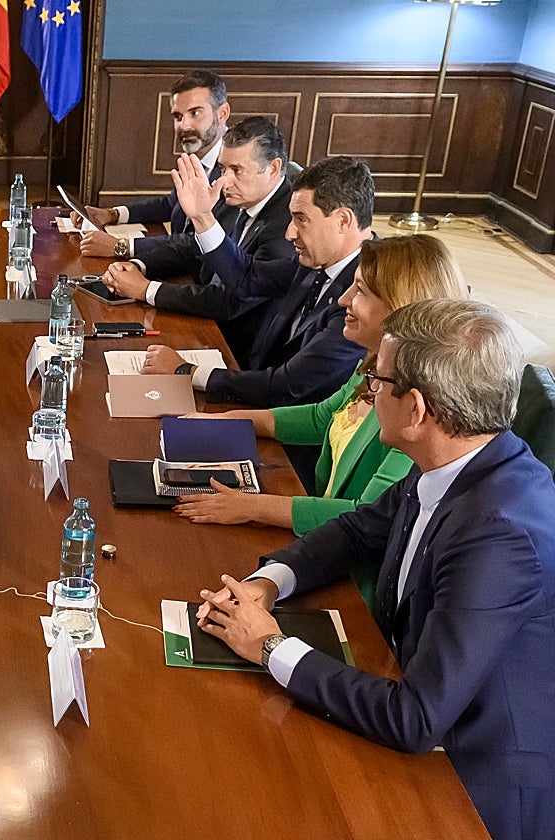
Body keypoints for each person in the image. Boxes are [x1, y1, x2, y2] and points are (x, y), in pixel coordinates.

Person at [195, 299, 555, 840]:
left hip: (471, 784)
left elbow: (414, 719)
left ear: (415, 409)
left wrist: (269, 646)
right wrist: (267, 583)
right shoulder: (464, 458)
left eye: (377, 380)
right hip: (418, 695)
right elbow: (360, 528)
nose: (366, 391)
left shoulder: (499, 534)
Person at [172, 236, 468, 550]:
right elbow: (320, 417)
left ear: (401, 306)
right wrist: (229, 420)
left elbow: (368, 514)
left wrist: (252, 506)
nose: (343, 300)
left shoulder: (417, 411)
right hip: (323, 540)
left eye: (361, 292)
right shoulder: (372, 363)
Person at [142, 155, 370, 409]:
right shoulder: (317, 259)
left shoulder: (365, 296)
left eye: (301, 219)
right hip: (255, 395)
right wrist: (203, 219)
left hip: (289, 434)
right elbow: (247, 278)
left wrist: (187, 372)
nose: (289, 233)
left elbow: (286, 386)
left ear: (343, 220)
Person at [102, 117, 295, 365]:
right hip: (207, 325)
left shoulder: (286, 227)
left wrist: (145, 289)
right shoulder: (242, 195)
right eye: (223, 169)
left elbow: (229, 302)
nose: (225, 180)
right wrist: (140, 265)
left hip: (237, 354)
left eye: (237, 171)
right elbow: (197, 248)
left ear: (274, 168)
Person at [75, 69, 229, 259]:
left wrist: (121, 246)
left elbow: (199, 242)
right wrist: (112, 214)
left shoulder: (234, 167)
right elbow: (171, 204)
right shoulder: (196, 154)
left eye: (195, 113)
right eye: (178, 117)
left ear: (222, 113)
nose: (185, 126)